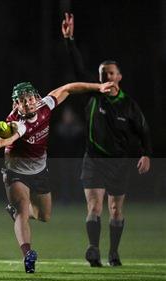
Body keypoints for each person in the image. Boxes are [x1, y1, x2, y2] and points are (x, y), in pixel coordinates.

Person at [0, 81, 117, 273]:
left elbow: (68, 88)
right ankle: (28, 255)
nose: (28, 103)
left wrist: (98, 87)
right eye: (22, 101)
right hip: (15, 171)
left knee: (44, 215)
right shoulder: (17, 122)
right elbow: (12, 134)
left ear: (36, 98)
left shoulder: (45, 105)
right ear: (16, 105)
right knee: (22, 209)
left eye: (30, 98)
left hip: (39, 170)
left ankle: (14, 211)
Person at [61, 13, 152, 267]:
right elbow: (78, 69)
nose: (106, 78)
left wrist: (146, 153)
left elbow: (144, 130)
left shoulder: (129, 105)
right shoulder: (94, 98)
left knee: (115, 210)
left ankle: (113, 252)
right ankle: (93, 248)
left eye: (111, 73)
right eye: (102, 75)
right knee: (94, 207)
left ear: (119, 77)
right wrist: (70, 41)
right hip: (94, 160)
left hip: (119, 163)